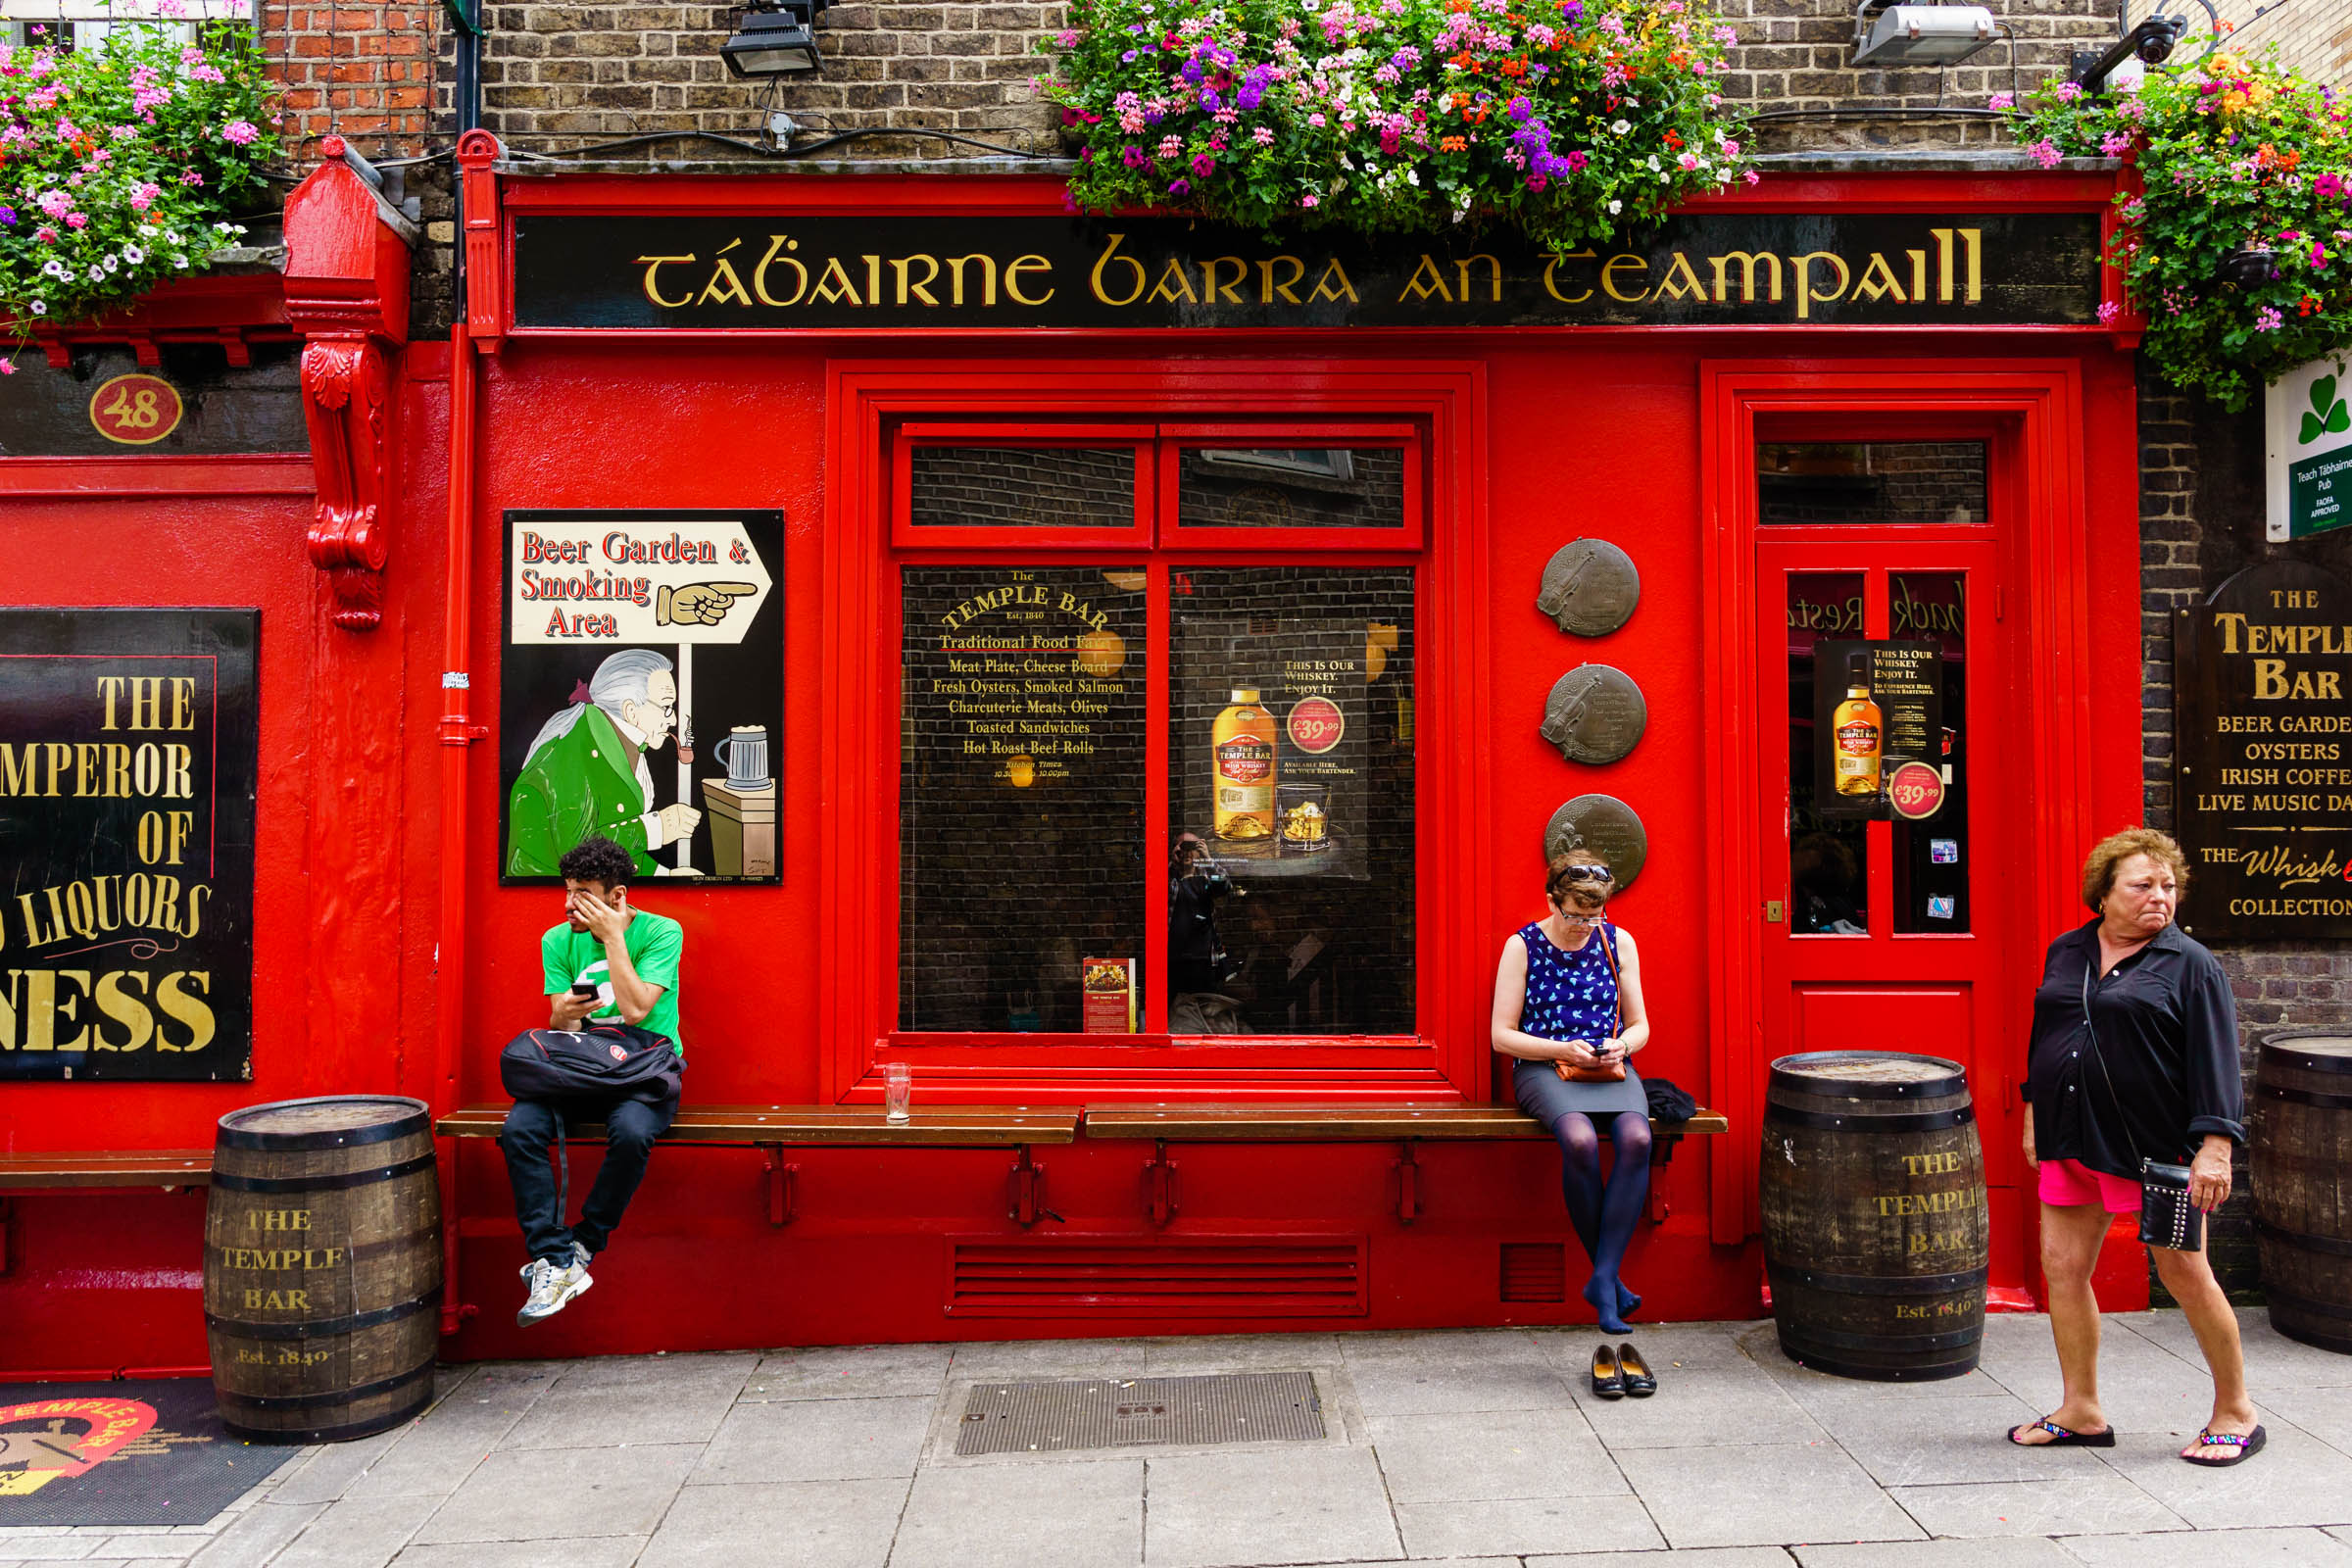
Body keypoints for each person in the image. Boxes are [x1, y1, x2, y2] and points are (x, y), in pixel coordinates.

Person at [2011, 828, 2258, 1465]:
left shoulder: (2191, 964)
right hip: (2072, 1137)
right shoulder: (2066, 950)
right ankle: (2081, 1409)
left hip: (2158, 1151)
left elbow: (2217, 1062)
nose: (2159, 897)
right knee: (2063, 1269)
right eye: (2142, 886)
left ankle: (2236, 1412)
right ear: (2104, 893)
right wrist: (2035, 1112)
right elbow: (2047, 1032)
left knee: (2183, 1272)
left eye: (2168, 886)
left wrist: (2215, 1148)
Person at [500, 835, 685, 1326]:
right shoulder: (556, 940)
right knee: (519, 1129)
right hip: (582, 1067)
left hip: (644, 1068)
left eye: (581, 894)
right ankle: (552, 1259)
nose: (568, 905)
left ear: (617, 896)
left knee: (630, 1133)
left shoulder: (663, 932)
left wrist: (614, 938)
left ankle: (583, 1246)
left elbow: (636, 1008)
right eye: (566, 892)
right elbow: (563, 1026)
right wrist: (562, 1013)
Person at [1491, 850, 1654, 1352]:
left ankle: (1602, 1280)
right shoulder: (1522, 946)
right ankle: (1608, 1285)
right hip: (1543, 1066)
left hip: (1607, 1066)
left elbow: (1641, 1025)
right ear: (1551, 900)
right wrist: (1560, 1048)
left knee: (1637, 1137)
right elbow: (1501, 1036)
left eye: (1594, 915)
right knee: (1581, 1141)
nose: (1585, 925)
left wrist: (1623, 1044)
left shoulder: (1617, 940)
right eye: (1575, 914)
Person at [506, 648, 704, 878]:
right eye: (667, 707)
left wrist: (664, 875)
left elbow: (618, 848)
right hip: (548, 892)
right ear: (630, 711)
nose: (673, 719)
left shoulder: (619, 744)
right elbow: (577, 850)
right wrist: (656, 828)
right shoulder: (572, 753)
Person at [1168, 832, 1245, 1035]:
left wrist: (1208, 860)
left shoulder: (1206, 876)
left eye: (1191, 846)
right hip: (1172, 959)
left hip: (1203, 960)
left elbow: (1225, 886)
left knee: (1207, 1013)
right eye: (1182, 846)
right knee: (1174, 1012)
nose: (1187, 852)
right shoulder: (1170, 877)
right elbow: (1156, 888)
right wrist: (1174, 863)